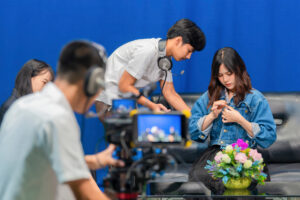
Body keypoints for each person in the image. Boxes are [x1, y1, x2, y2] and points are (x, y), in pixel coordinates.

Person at [0, 40, 122, 200]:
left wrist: (95, 160)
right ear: (91, 82)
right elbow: (86, 191)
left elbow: (40, 161)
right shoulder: (57, 117)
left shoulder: (22, 106)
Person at [188, 47, 276, 192]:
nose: (225, 80)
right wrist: (211, 116)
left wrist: (240, 120)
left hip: (246, 155)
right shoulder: (209, 96)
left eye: (229, 73)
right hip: (215, 154)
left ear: (239, 70)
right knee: (201, 179)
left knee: (247, 180)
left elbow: (269, 137)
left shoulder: (255, 98)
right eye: (220, 75)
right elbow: (194, 133)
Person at [95, 18, 206, 119]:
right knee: (123, 138)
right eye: (189, 51)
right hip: (109, 97)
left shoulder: (165, 60)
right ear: (178, 41)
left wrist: (193, 118)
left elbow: (169, 92)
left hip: (125, 98)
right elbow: (124, 86)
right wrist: (152, 105)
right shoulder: (147, 51)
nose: (189, 56)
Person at [0, 59, 54, 125]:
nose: (47, 88)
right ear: (29, 77)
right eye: (44, 82)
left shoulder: (31, 105)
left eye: (49, 84)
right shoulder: (11, 107)